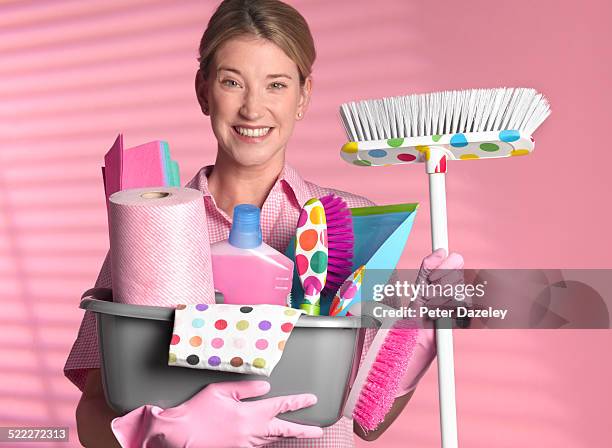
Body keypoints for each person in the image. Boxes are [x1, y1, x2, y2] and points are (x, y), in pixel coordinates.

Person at [65, 0, 464, 446]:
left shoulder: (353, 225)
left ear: (304, 95)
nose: (253, 109)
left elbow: (367, 420)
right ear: (203, 90)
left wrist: (424, 327)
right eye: (232, 82)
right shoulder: (151, 230)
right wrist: (158, 434)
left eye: (276, 85)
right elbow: (94, 414)